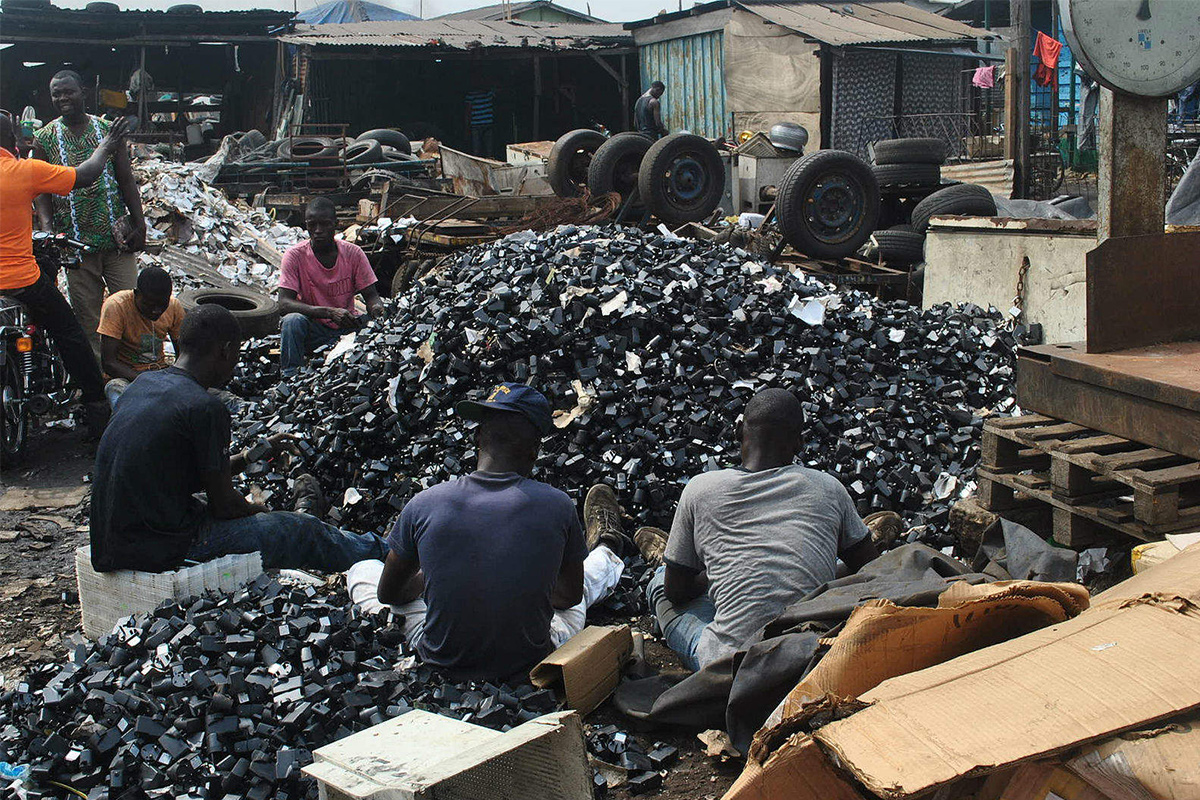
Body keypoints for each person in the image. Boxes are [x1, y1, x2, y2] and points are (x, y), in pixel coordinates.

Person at [345, 383, 651, 684]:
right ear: (534, 451)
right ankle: (609, 545)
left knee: (362, 570)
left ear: (478, 438)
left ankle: (604, 550)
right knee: (586, 582)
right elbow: (569, 597)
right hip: (531, 662)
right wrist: (530, 581)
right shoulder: (556, 505)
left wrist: (438, 577)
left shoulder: (424, 503)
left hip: (440, 663)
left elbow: (389, 594)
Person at [89, 303, 387, 573]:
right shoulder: (205, 407)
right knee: (301, 530)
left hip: (116, 542)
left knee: (239, 512)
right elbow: (226, 508)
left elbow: (184, 476)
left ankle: (307, 511)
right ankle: (390, 551)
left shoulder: (144, 384)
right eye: (237, 354)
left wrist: (252, 455)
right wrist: (262, 513)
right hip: (163, 550)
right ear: (226, 350)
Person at [644, 388, 880, 671]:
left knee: (660, 582)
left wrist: (719, 572)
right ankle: (862, 540)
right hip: (810, 656)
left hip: (729, 665)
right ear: (799, 445)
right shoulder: (829, 489)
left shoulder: (700, 489)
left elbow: (677, 593)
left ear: (738, 430)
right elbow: (873, 571)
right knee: (828, 563)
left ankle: (664, 556)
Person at [0, 111, 130, 439]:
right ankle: (97, 410)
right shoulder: (21, 171)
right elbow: (86, 174)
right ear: (13, 142)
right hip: (21, 280)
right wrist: (108, 143)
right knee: (70, 333)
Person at [32, 69, 147, 360]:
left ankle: (145, 368)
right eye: (56, 94)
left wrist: (140, 222)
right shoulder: (44, 138)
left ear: (83, 91)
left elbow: (125, 178)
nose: (62, 98)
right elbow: (40, 190)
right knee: (88, 318)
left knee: (135, 308)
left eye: (68, 91)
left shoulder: (108, 131)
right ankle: (100, 383)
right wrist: (47, 229)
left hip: (116, 239)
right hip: (75, 245)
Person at [276, 196, 384, 378]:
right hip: (315, 330)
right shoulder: (295, 256)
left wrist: (377, 309)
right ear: (306, 224)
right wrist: (329, 312)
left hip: (348, 328)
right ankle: (289, 376)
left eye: (325, 224)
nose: (318, 231)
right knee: (292, 321)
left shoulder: (353, 254)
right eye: (312, 225)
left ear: (336, 223)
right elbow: (284, 304)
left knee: (379, 325)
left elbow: (371, 295)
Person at [98, 265, 184, 408]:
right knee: (117, 391)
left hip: (160, 373)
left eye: (162, 305)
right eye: (149, 305)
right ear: (137, 294)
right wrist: (148, 381)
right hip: (126, 377)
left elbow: (183, 353)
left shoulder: (174, 306)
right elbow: (109, 363)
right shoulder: (117, 306)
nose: (156, 311)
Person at [463, 85, 496, 157]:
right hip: (476, 126)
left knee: (489, 150)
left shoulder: (490, 93)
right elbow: (468, 112)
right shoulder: (471, 95)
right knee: (476, 151)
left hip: (488, 125)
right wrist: (467, 126)